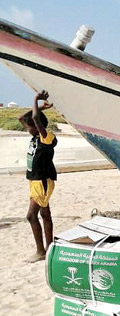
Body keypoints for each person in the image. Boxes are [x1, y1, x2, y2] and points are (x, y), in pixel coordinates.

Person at [18, 90, 57, 262]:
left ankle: (41, 251)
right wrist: (42, 107)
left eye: (31, 126)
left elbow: (34, 119)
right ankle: (49, 249)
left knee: (31, 216)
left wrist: (35, 98)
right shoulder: (34, 136)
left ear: (38, 126)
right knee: (45, 214)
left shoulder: (46, 138)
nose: (27, 128)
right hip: (34, 181)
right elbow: (22, 117)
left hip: (43, 181)